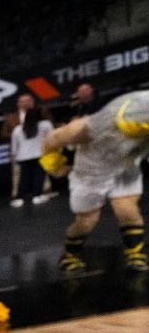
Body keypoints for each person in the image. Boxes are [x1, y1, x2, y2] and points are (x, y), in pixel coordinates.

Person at [41, 90, 147, 275]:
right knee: (87, 221)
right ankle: (69, 256)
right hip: (91, 173)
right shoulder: (87, 127)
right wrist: (54, 164)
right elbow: (53, 139)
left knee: (127, 209)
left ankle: (135, 254)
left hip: (124, 167)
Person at [7, 96, 56, 207]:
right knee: (39, 176)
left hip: (23, 157)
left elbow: (14, 147)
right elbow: (52, 137)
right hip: (40, 155)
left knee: (24, 178)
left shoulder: (18, 129)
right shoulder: (45, 125)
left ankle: (19, 199)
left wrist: (15, 155)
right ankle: (37, 196)